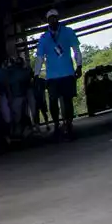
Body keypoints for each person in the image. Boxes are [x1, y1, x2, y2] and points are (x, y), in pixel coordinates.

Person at [35, 9, 83, 140]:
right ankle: (56, 125)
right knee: (52, 101)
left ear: (58, 18)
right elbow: (39, 57)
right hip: (52, 75)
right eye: (50, 19)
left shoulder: (68, 32)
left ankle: (69, 123)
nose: (53, 21)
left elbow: (76, 50)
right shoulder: (44, 38)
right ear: (47, 21)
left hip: (67, 72)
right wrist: (36, 74)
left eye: (54, 18)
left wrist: (79, 66)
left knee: (68, 100)